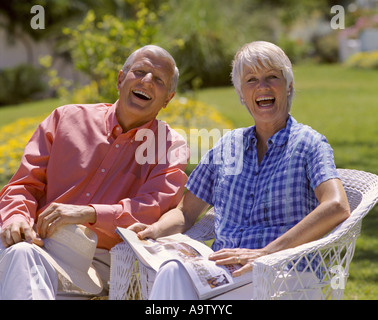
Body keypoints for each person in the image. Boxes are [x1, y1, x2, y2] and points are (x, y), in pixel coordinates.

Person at [129, 41, 351, 300]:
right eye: (251, 80)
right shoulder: (228, 146)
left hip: (284, 275)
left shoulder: (308, 143)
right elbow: (185, 212)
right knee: (171, 271)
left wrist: (266, 252)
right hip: (224, 273)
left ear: (288, 86)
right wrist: (154, 230)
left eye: (272, 77)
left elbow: (337, 206)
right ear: (240, 93)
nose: (263, 87)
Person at [0, 45, 189, 299]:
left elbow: (150, 208)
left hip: (91, 259)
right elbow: (24, 185)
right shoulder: (65, 118)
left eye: (158, 80)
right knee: (19, 252)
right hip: (33, 238)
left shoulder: (170, 147)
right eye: (140, 71)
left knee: (20, 256)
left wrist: (88, 213)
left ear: (168, 98)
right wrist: (16, 219)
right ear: (120, 79)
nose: (147, 81)